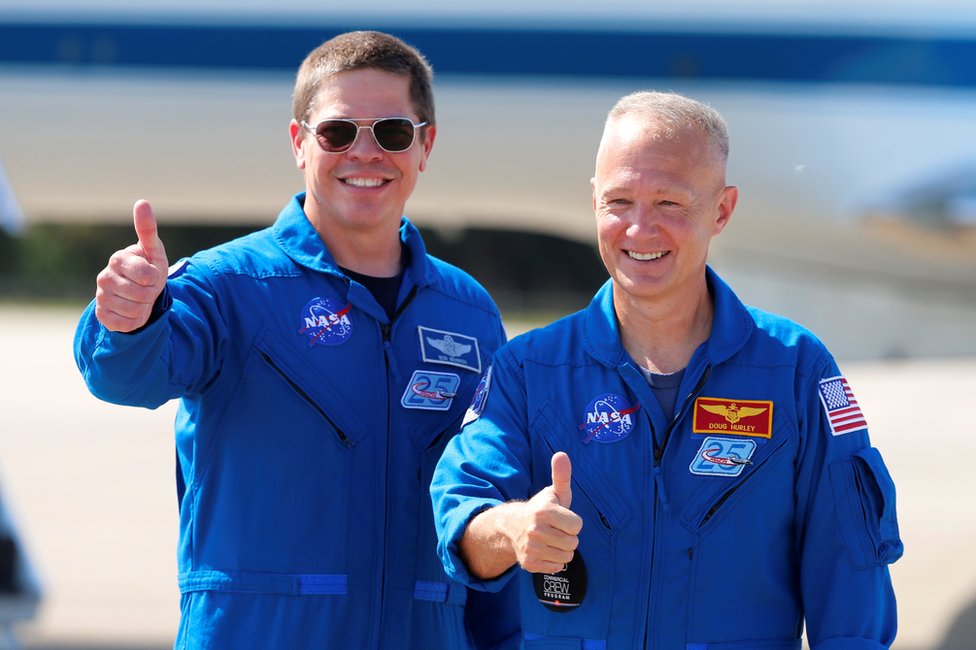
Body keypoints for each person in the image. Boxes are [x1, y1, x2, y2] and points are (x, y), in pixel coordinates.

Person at [74, 30, 518, 649]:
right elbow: (128, 374)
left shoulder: (468, 312)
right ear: (299, 142)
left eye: (391, 131)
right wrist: (124, 318)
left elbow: (492, 505)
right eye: (338, 132)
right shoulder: (228, 286)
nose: (365, 153)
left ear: (425, 146)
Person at [431, 90, 903, 649]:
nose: (639, 229)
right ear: (594, 202)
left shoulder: (794, 370)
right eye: (619, 201)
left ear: (722, 210)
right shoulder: (529, 369)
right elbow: (462, 521)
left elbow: (851, 580)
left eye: (670, 204)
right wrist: (512, 530)